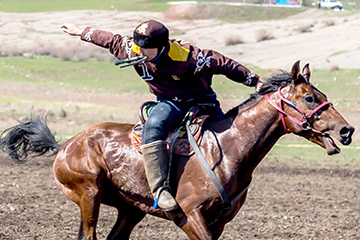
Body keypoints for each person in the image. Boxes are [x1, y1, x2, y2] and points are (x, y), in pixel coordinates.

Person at [61, 19, 261, 212]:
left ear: (161, 46)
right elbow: (111, 40)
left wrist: (256, 82)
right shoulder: (135, 49)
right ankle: (160, 190)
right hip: (169, 103)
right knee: (154, 125)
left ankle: (229, 185)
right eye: (137, 45)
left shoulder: (190, 57)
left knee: (226, 138)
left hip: (202, 102)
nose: (139, 50)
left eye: (145, 48)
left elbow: (226, 64)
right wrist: (80, 31)